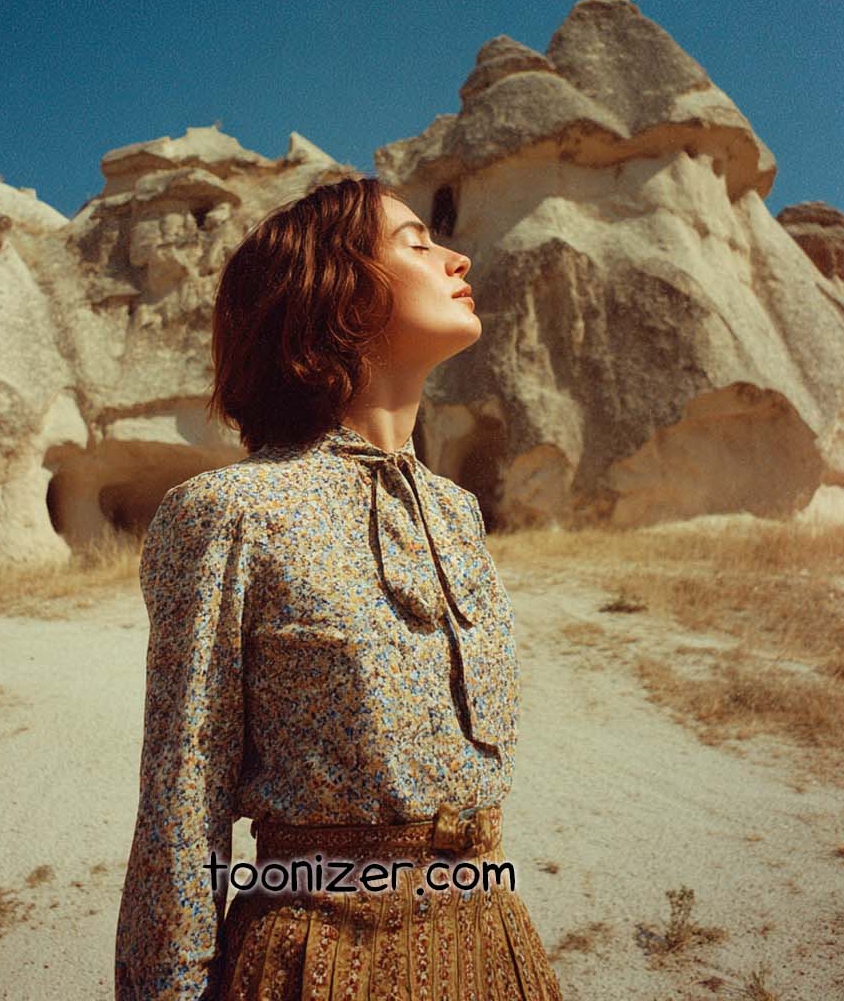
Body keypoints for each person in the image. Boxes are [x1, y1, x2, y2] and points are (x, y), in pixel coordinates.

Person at [115, 176, 564, 999]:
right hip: (320, 959)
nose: (458, 259)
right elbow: (182, 804)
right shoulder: (230, 513)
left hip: (492, 941)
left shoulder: (457, 511)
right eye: (416, 244)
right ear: (337, 292)